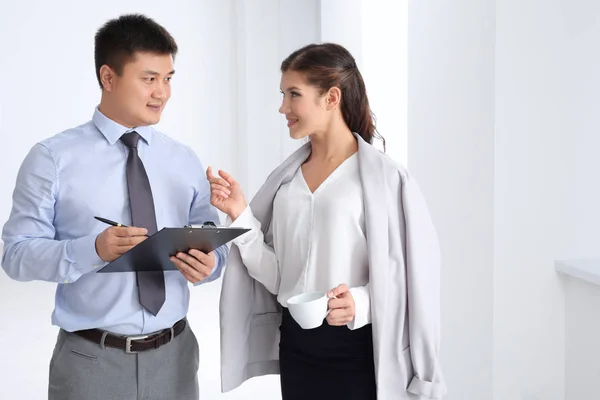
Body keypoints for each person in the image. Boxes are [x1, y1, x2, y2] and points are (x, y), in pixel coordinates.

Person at [1, 14, 227, 400]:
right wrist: (92, 250)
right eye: (149, 78)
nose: (163, 93)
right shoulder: (52, 159)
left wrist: (210, 264)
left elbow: (212, 245)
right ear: (108, 78)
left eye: (168, 78)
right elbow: (15, 254)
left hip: (176, 359)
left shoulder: (183, 159)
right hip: (90, 364)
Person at [210, 43, 447, 400]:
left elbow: (416, 276)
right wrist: (240, 215)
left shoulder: (386, 180)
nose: (283, 107)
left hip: (357, 352)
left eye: (294, 94)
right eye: (283, 94)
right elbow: (280, 277)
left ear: (331, 97)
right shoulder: (287, 184)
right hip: (297, 348)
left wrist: (361, 303)